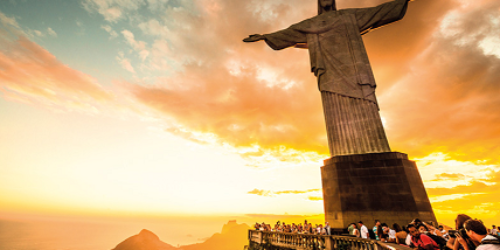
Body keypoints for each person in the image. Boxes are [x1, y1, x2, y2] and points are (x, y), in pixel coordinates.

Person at [243, 0, 412, 156]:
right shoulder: (311, 24)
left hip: (355, 72)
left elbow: (378, 12)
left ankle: (376, 150)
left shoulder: (348, 16)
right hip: (330, 75)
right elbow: (289, 33)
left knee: (365, 106)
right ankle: (344, 153)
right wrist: (265, 36)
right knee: (337, 113)